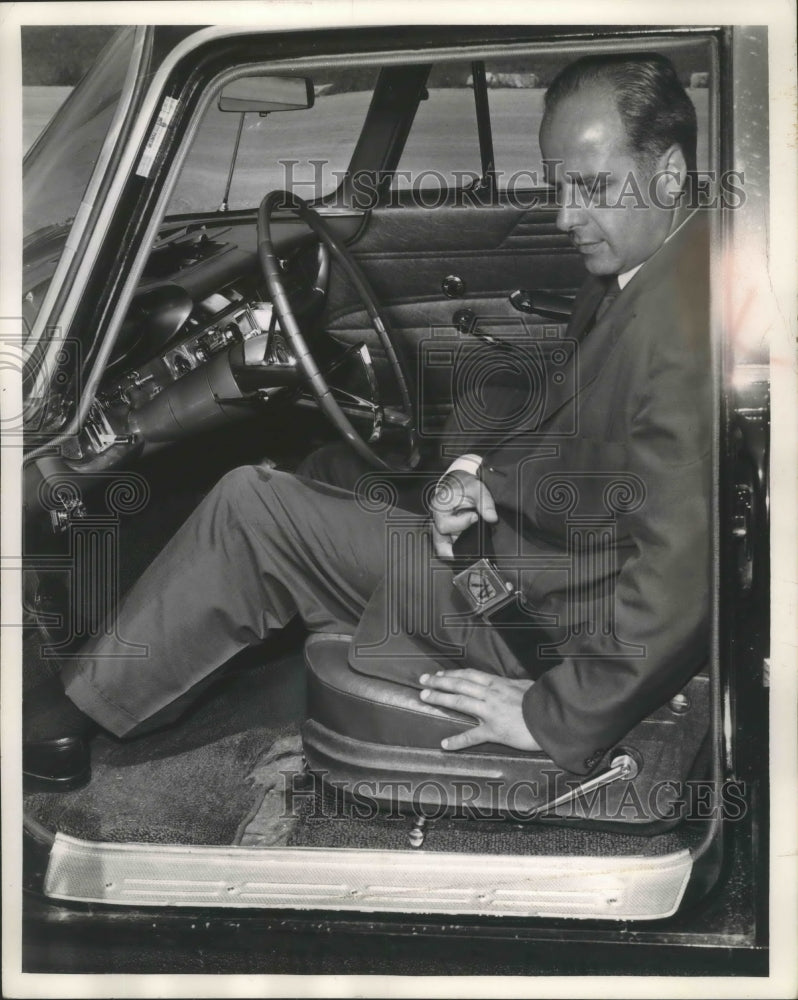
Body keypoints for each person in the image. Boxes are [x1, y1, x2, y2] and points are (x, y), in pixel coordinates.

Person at [23, 52, 711, 792]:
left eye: (593, 187)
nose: (565, 216)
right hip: (528, 562)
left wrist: (555, 714)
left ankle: (65, 720)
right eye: (558, 187)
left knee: (253, 512)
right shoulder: (655, 271)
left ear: (668, 174)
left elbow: (681, 578)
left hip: (539, 620)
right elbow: (560, 405)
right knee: (323, 468)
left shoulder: (682, 330)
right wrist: (473, 470)